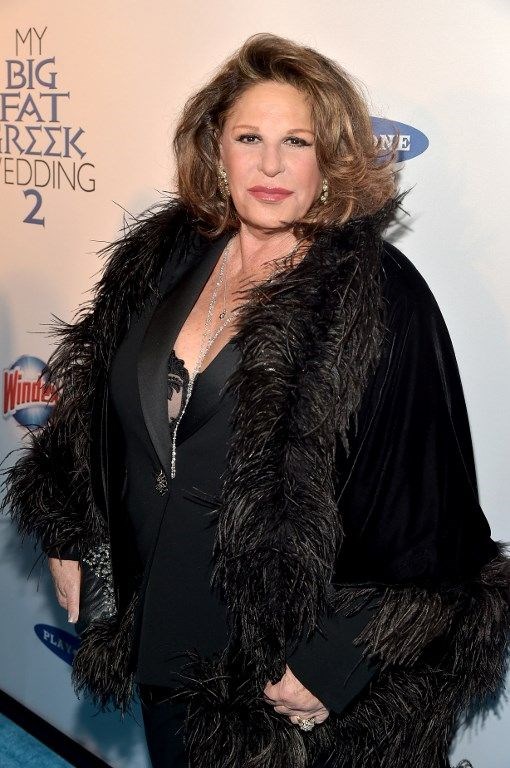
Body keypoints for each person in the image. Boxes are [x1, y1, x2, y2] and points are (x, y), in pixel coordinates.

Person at [2, 32, 509, 768]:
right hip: (161, 638)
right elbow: (94, 421)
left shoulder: (379, 297)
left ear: (330, 160)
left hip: (279, 678)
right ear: (217, 151)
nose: (270, 165)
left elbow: (429, 517)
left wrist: (336, 658)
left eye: (296, 142)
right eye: (249, 138)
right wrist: (71, 529)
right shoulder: (166, 255)